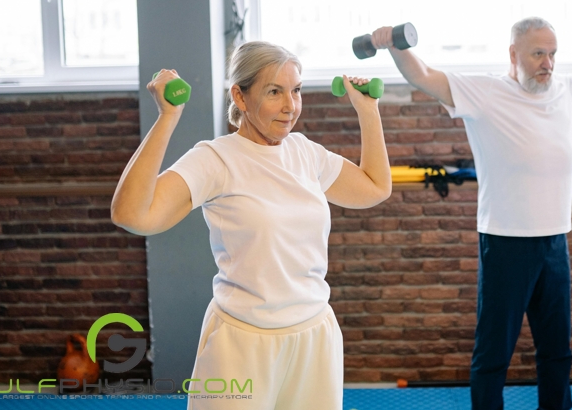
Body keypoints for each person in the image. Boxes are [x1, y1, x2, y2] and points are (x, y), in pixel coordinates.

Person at [371, 17, 572, 410]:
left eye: (553, 54)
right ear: (513, 54)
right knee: (493, 353)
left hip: (555, 241)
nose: (548, 63)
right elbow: (422, 76)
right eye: (538, 53)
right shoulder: (485, 91)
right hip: (505, 242)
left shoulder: (563, 89)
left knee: (557, 350)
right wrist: (393, 45)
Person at [110, 41, 392, 410]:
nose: (290, 106)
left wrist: (367, 110)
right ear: (239, 97)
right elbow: (131, 214)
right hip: (242, 342)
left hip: (314, 334)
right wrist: (168, 117)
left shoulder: (304, 152)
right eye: (275, 92)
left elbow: (374, 187)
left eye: (296, 90)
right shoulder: (215, 159)